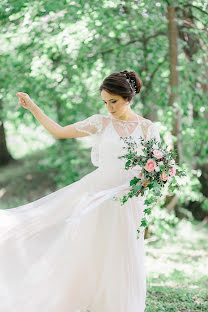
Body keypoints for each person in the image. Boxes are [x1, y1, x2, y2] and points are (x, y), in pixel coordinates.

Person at [0, 70, 161, 312]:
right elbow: (59, 131)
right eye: (105, 102)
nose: (109, 108)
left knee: (124, 254)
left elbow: (159, 168)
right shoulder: (100, 122)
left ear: (128, 97)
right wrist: (33, 107)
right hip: (97, 196)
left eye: (113, 101)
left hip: (129, 201)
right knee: (90, 251)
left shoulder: (148, 129)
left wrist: (148, 181)